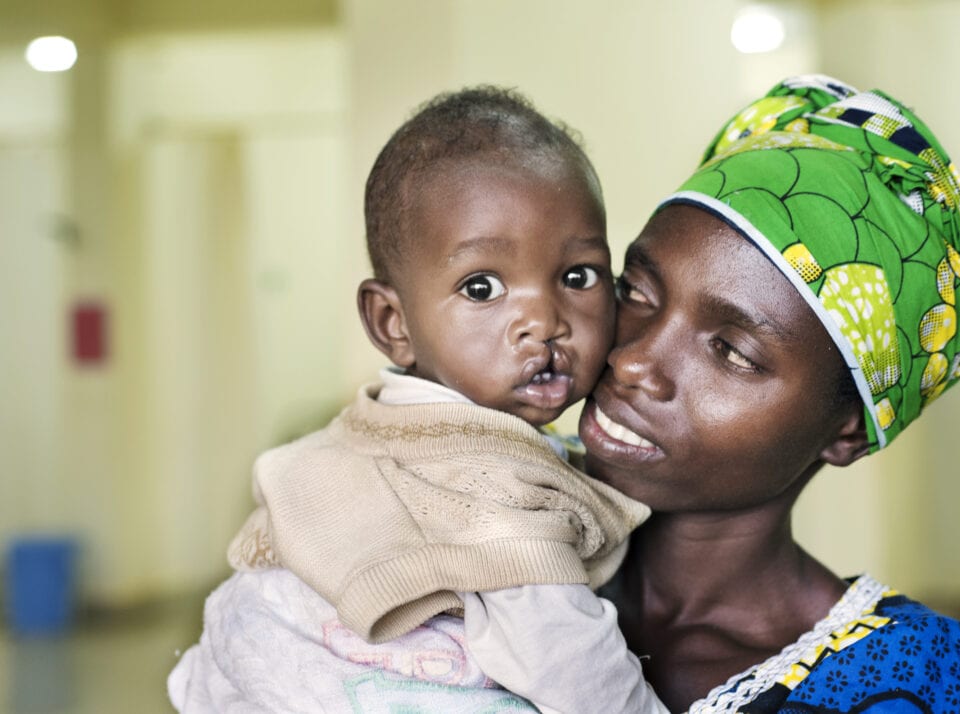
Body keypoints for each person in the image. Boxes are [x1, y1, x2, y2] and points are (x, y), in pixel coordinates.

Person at [167, 86, 664, 713]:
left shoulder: (384, 429)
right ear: (393, 323)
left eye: (577, 276)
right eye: (482, 287)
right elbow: (577, 672)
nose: (544, 320)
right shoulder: (490, 487)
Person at [568, 74, 960, 712]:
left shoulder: (946, 687)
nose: (632, 362)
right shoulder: (471, 532)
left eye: (733, 352)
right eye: (635, 292)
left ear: (847, 428)